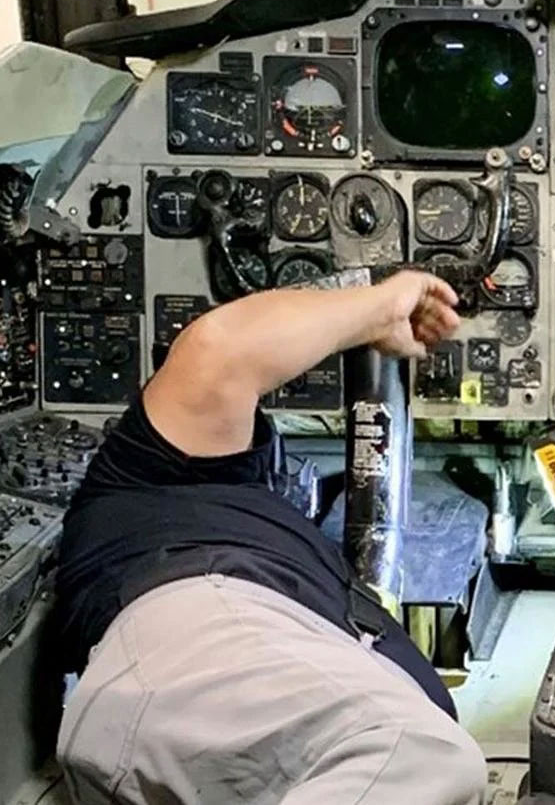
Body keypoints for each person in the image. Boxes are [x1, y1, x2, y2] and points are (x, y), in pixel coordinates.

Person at [53, 271, 486, 804]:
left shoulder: (221, 498)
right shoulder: (158, 480)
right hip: (198, 634)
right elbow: (220, 351)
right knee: (418, 755)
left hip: (204, 702)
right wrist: (380, 309)